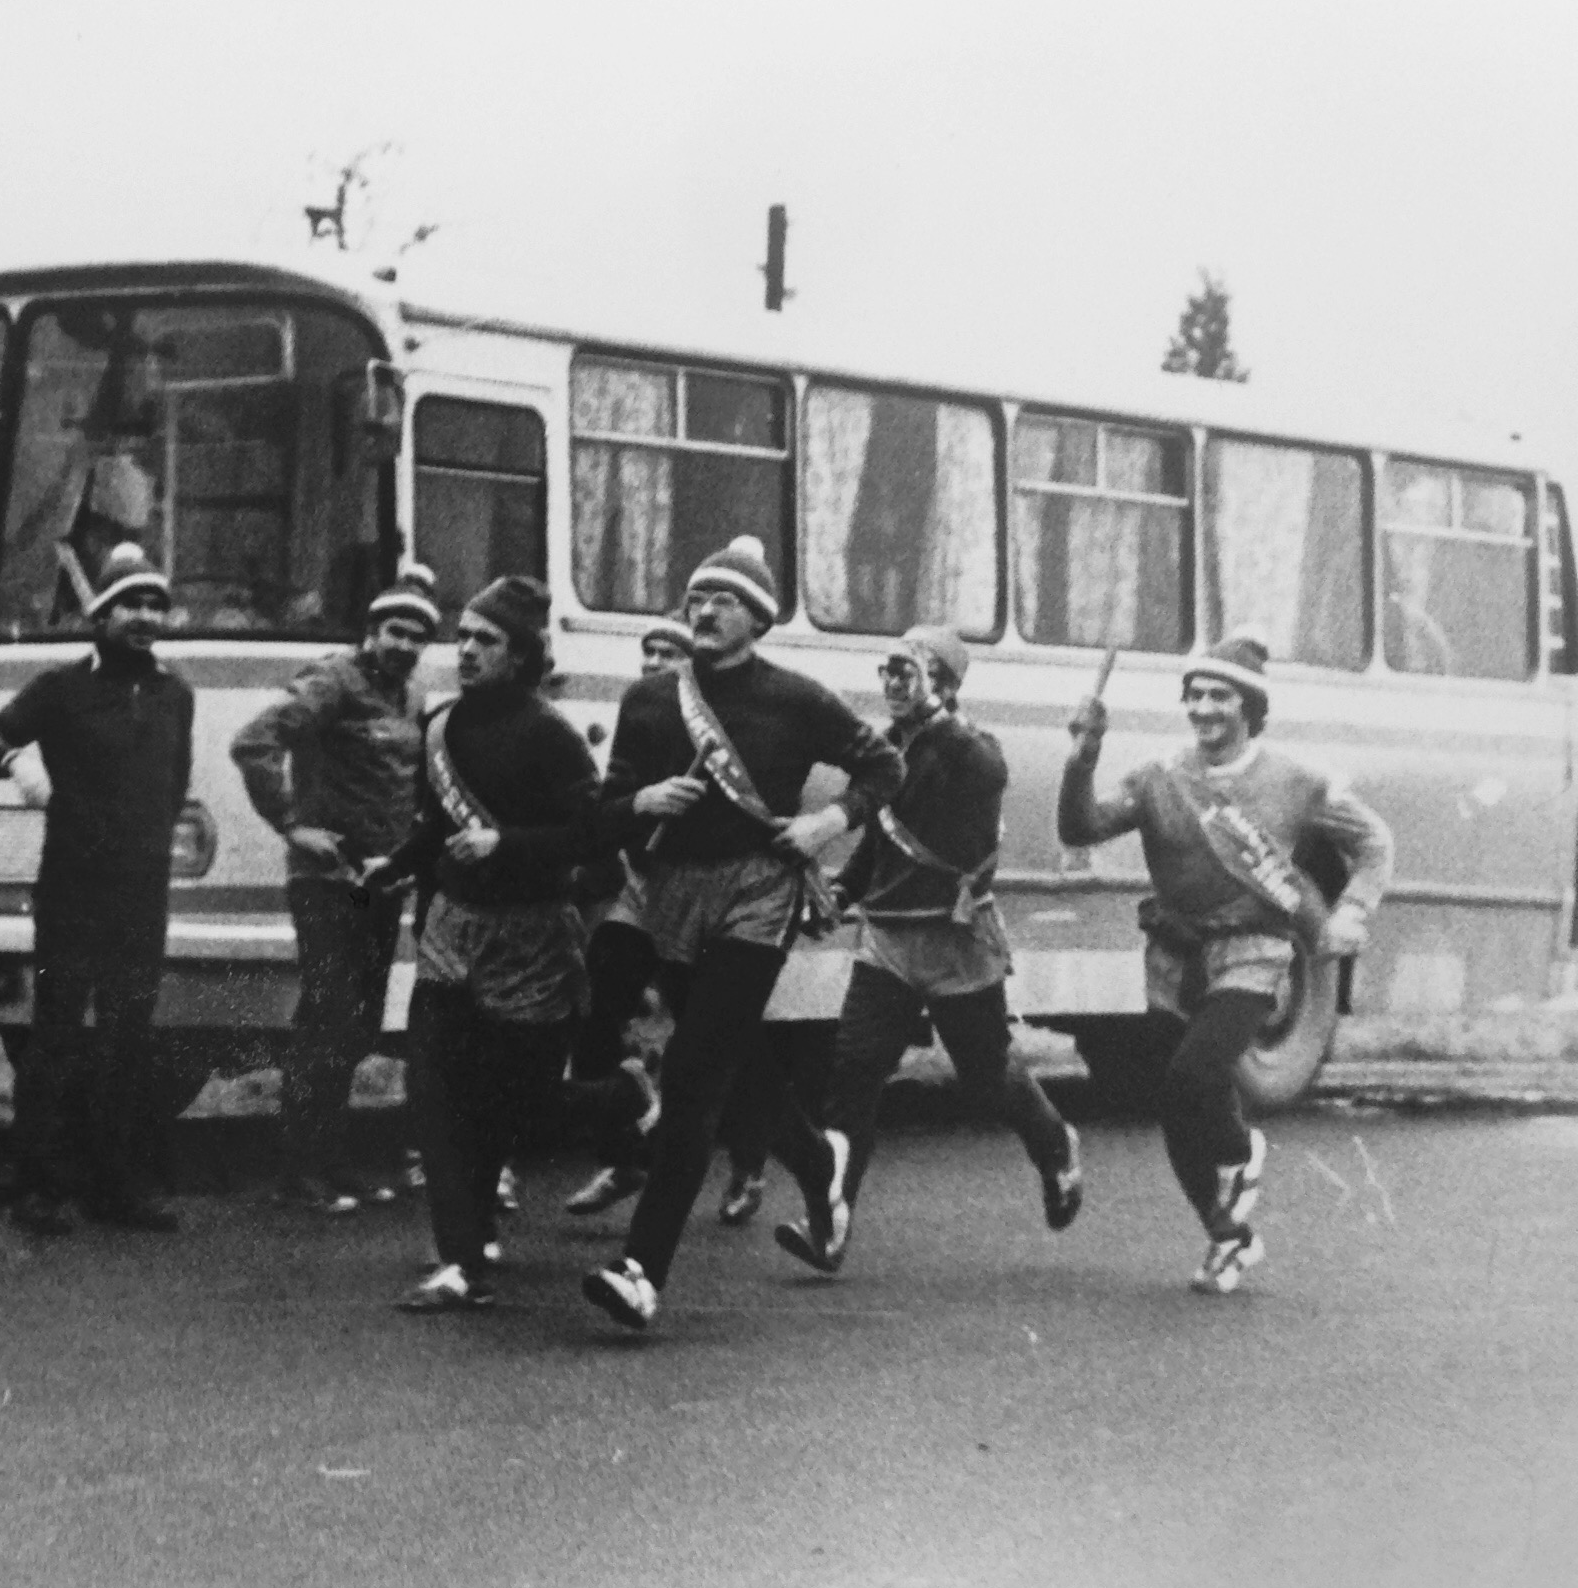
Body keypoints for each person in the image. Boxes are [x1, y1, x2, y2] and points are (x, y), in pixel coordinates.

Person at [581, 537, 902, 1334]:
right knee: (736, 1061)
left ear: (757, 618)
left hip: (757, 895)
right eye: (695, 598)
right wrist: (641, 803)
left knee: (695, 1072)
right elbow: (606, 808)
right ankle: (820, 1162)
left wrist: (828, 821)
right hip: (670, 894)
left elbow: (883, 767)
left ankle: (640, 1272)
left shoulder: (796, 698)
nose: (704, 611)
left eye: (722, 600)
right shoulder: (649, 700)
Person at [1056, 631, 1390, 1292]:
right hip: (1175, 956)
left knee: (1193, 1075)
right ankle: (1227, 1236)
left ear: (1250, 707)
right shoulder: (1158, 777)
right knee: (1174, 1107)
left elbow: (1375, 841)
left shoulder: (1296, 781)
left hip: (1254, 952)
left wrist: (1354, 909)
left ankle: (1242, 1150)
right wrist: (1080, 761)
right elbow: (1080, 828)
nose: (1203, 708)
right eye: (1195, 695)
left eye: (1219, 696)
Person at [770, 625, 1080, 1274]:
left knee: (986, 1075)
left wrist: (939, 714)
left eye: (908, 671)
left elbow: (990, 775)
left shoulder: (970, 750)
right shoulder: (886, 749)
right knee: (852, 1075)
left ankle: (1055, 1147)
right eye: (887, 669)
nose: (892, 683)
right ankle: (830, 1224)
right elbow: (877, 846)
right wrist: (838, 897)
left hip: (953, 940)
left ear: (944, 684)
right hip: (887, 942)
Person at [377, 578, 601, 1310]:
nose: (467, 650)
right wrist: (395, 866)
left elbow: (594, 836)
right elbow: (435, 825)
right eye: (464, 636)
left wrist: (507, 843)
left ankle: (623, 1102)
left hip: (530, 938)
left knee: (518, 1104)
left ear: (523, 655)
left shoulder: (551, 736)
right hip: (452, 929)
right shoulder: (441, 725)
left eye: (487, 639)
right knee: (435, 1091)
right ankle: (462, 1260)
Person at [0, 542, 195, 1235]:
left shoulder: (176, 694)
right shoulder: (59, 688)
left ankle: (115, 1188)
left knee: (129, 1039)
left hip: (142, 892)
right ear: (100, 617)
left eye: (155, 605)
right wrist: (14, 760)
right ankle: (37, 1187)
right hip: (72, 888)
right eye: (129, 605)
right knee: (57, 1037)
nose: (144, 616)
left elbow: (174, 784)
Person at [229, 563, 441, 1212]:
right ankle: (300, 1171)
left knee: (359, 1025)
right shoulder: (333, 679)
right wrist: (293, 825)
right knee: (328, 1015)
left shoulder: (411, 695)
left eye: (417, 636)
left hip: (381, 882)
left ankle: (332, 1159)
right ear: (371, 631)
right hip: (326, 883)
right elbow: (255, 741)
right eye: (395, 631)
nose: (405, 645)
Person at [562, 614, 690, 1218]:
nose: (654, 663)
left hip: (707, 902)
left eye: (669, 653)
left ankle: (750, 1169)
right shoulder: (638, 712)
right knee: (596, 1011)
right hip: (643, 892)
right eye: (649, 651)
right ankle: (623, 1159)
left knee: (722, 1045)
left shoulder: (725, 722)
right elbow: (612, 802)